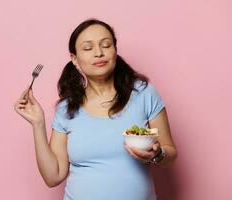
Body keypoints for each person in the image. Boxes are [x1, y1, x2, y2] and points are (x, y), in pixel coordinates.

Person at [14, 18, 178, 200]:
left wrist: (157, 154)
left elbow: (170, 153)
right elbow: (53, 176)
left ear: (115, 51)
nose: (99, 53)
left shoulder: (144, 93)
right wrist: (38, 124)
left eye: (106, 45)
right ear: (75, 59)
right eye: (88, 48)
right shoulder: (66, 109)